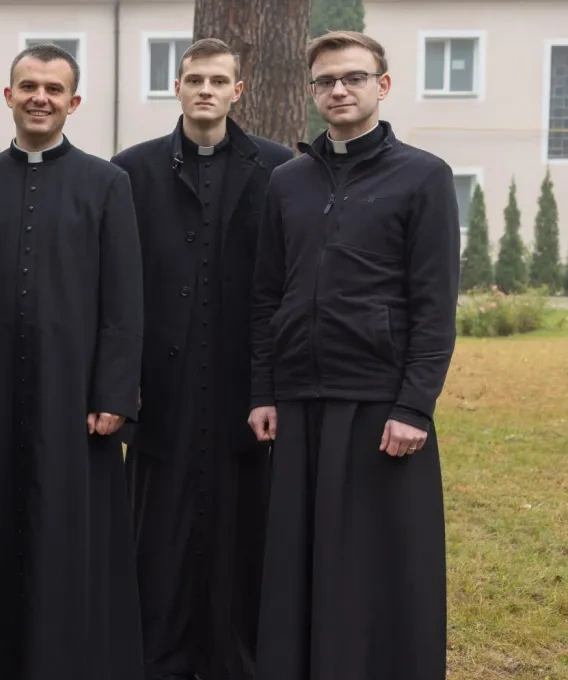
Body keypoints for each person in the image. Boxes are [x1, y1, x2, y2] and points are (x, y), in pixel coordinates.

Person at [249, 30, 457, 680]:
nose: (338, 90)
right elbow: (265, 295)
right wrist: (263, 390)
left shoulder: (423, 177)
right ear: (312, 92)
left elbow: (434, 303)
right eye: (326, 81)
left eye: (353, 78)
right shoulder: (288, 181)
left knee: (377, 562)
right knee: (300, 560)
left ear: (382, 85)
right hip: (299, 400)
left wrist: (414, 407)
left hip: (379, 406)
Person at [0, 43, 145, 679]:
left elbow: (123, 297)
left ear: (73, 102)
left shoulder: (107, 183)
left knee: (69, 534)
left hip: (75, 394)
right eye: (28, 86)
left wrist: (114, 392)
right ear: (7, 96)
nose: (40, 98)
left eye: (54, 89)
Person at [110, 38, 292, 680]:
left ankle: (234, 657)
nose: (206, 90)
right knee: (157, 529)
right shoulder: (130, 171)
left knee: (243, 526)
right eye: (195, 79)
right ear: (178, 88)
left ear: (238, 91)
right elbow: (116, 286)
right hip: (161, 385)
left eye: (219, 80)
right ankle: (156, 654)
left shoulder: (279, 169)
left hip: (245, 381)